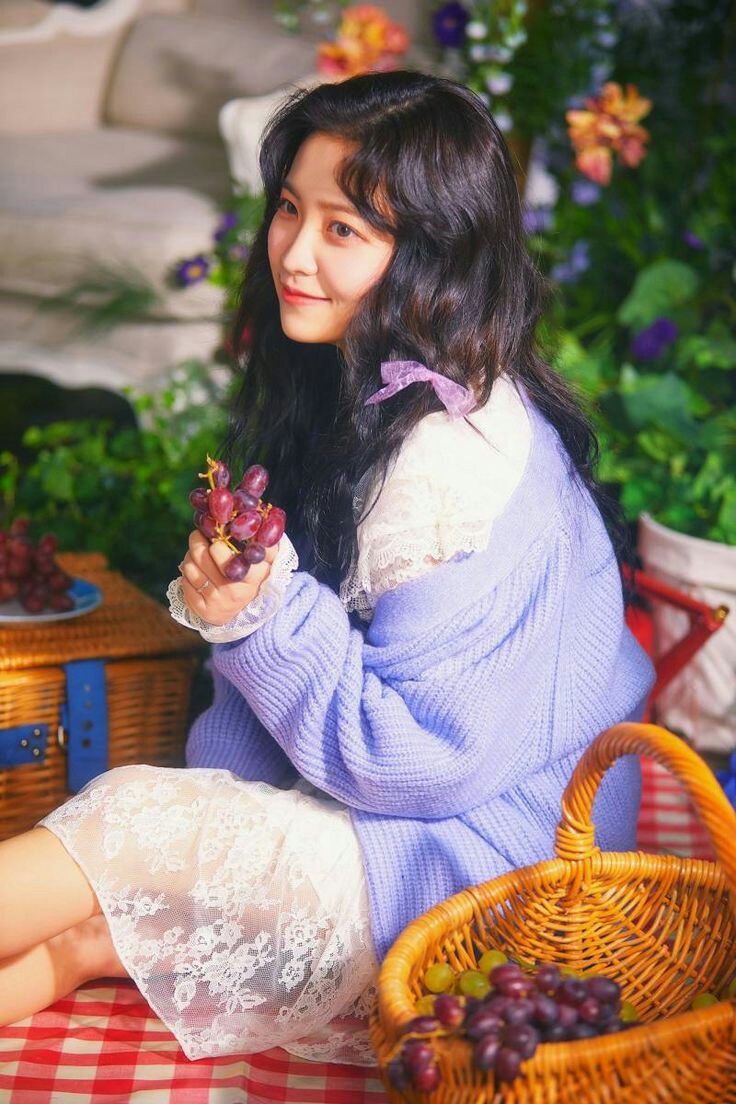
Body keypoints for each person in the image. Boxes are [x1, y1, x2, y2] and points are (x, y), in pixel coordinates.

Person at [0, 70, 655, 1065]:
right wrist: (213, 811)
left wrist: (262, 623)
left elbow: (421, 763)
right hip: (396, 821)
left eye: (344, 229)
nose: (295, 254)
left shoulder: (452, 457)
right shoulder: (355, 388)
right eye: (289, 209)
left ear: (432, 252)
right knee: (104, 909)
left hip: (492, 866)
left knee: (130, 823)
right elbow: (255, 728)